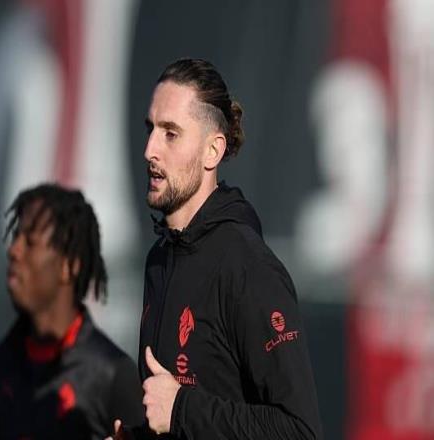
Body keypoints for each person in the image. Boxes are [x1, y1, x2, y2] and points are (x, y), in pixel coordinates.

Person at [108, 58, 323, 440]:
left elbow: (299, 432)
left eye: (170, 133)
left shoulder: (248, 267)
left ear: (213, 151)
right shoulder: (160, 259)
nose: (149, 150)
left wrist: (181, 409)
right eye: (150, 129)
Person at [0, 183, 144, 440]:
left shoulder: (112, 374)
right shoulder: (4, 360)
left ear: (68, 266)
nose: (14, 251)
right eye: (15, 237)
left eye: (30, 241)